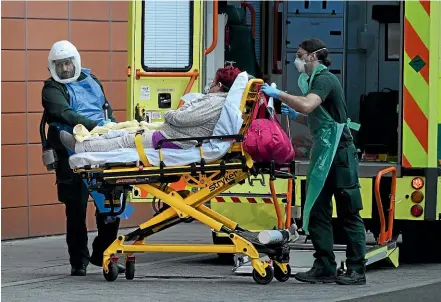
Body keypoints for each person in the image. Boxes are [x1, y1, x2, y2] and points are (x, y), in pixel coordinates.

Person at [260, 38, 366, 285]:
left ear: (312, 56)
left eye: (300, 54)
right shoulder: (309, 81)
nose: (297, 59)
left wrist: (280, 95)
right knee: (318, 210)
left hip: (339, 154)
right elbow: (318, 119)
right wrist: (294, 116)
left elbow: (309, 105)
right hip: (323, 153)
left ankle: (356, 270)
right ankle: (324, 266)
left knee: (349, 212)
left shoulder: (324, 79)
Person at [42, 40, 125, 276]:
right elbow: (63, 113)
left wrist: (115, 129)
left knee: (110, 205)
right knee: (76, 208)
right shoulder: (51, 89)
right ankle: (78, 261)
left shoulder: (92, 80)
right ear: (52, 66)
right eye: (59, 65)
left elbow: (106, 109)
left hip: (100, 147)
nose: (65, 69)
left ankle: (103, 254)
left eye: (68, 63)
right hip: (70, 152)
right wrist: (95, 127)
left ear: (75, 62)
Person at [59, 66, 242, 153]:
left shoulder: (214, 103)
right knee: (129, 129)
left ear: (219, 85)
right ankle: (89, 139)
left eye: (213, 83)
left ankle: (81, 147)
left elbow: (182, 119)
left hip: (175, 139)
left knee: (126, 140)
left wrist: (171, 113)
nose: (209, 86)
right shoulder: (217, 102)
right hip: (175, 135)